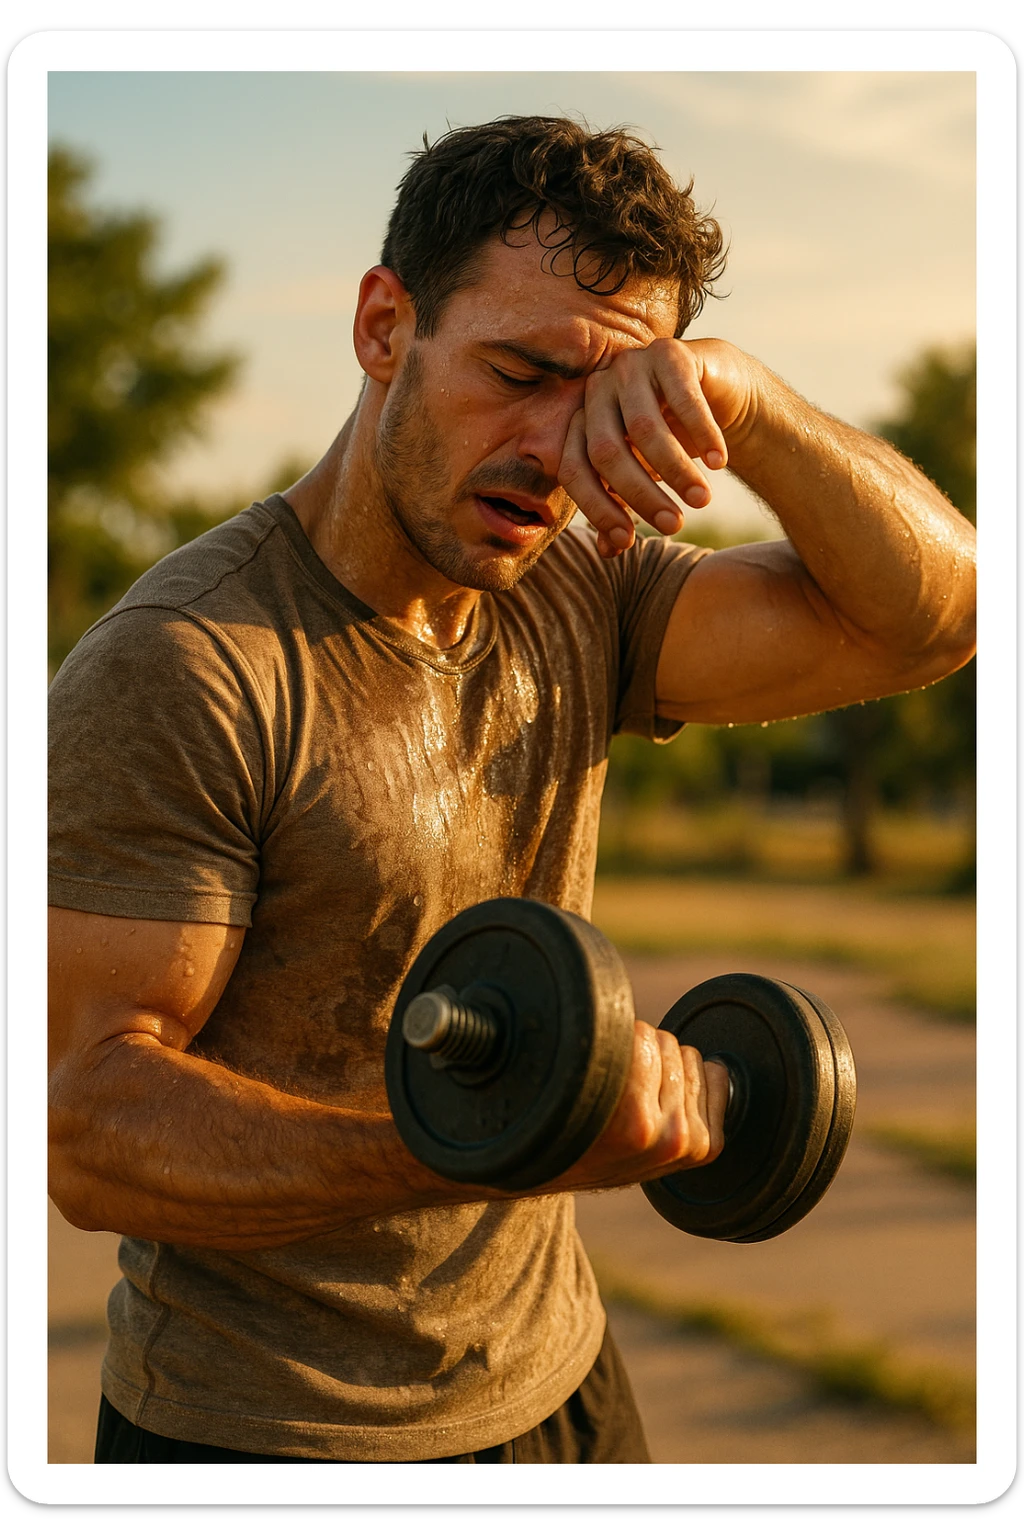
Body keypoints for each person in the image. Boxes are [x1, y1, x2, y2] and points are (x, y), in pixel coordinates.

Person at [48, 117, 976, 1465]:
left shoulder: (579, 595)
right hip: (267, 1436)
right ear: (384, 326)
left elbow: (935, 616)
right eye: (521, 372)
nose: (552, 450)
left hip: (559, 1387)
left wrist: (749, 402)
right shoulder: (189, 667)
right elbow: (91, 1128)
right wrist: (487, 1141)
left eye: (600, 398)